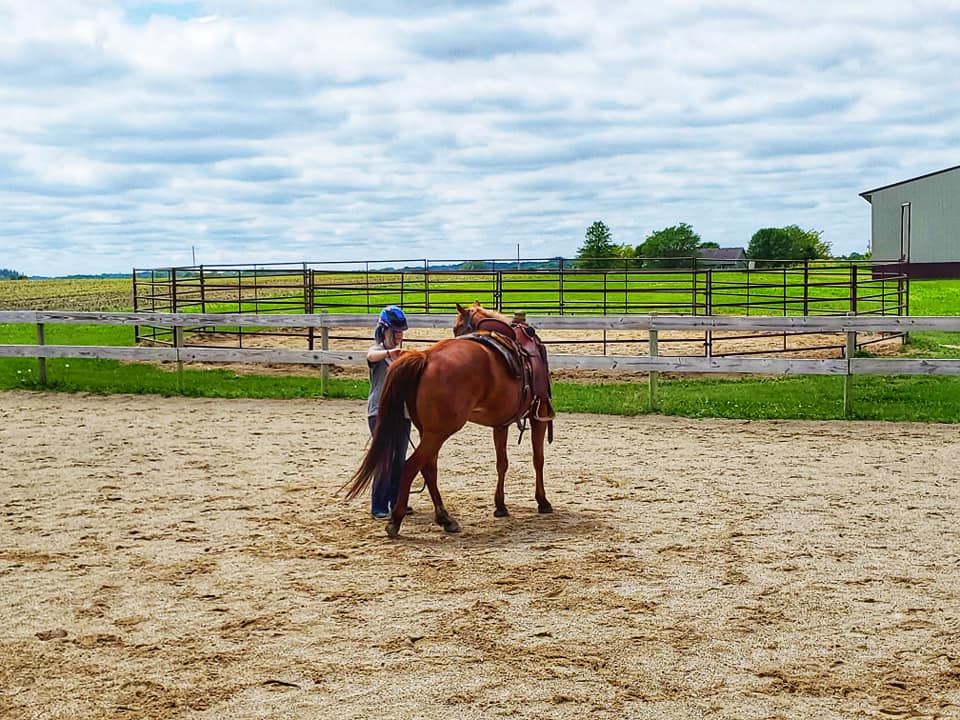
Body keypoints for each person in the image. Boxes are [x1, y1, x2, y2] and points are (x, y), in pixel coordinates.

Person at [366, 305, 413, 520]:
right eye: (394, 332)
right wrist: (390, 353)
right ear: (383, 330)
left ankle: (397, 500)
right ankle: (378, 505)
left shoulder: (403, 356)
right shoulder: (378, 352)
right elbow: (370, 356)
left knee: (399, 459)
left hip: (402, 414)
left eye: (400, 332)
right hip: (380, 412)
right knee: (384, 458)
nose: (398, 336)